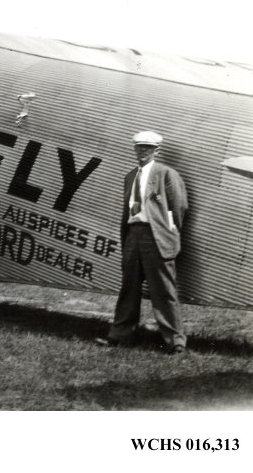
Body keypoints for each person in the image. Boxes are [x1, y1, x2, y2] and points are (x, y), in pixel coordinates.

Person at [97, 131, 189, 354]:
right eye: (139, 147)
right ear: (134, 149)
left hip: (156, 236)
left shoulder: (166, 173)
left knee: (164, 291)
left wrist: (167, 232)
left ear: (156, 150)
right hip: (133, 235)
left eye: (148, 148)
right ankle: (120, 336)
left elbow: (179, 207)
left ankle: (175, 342)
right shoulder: (130, 175)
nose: (143, 151)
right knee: (128, 288)